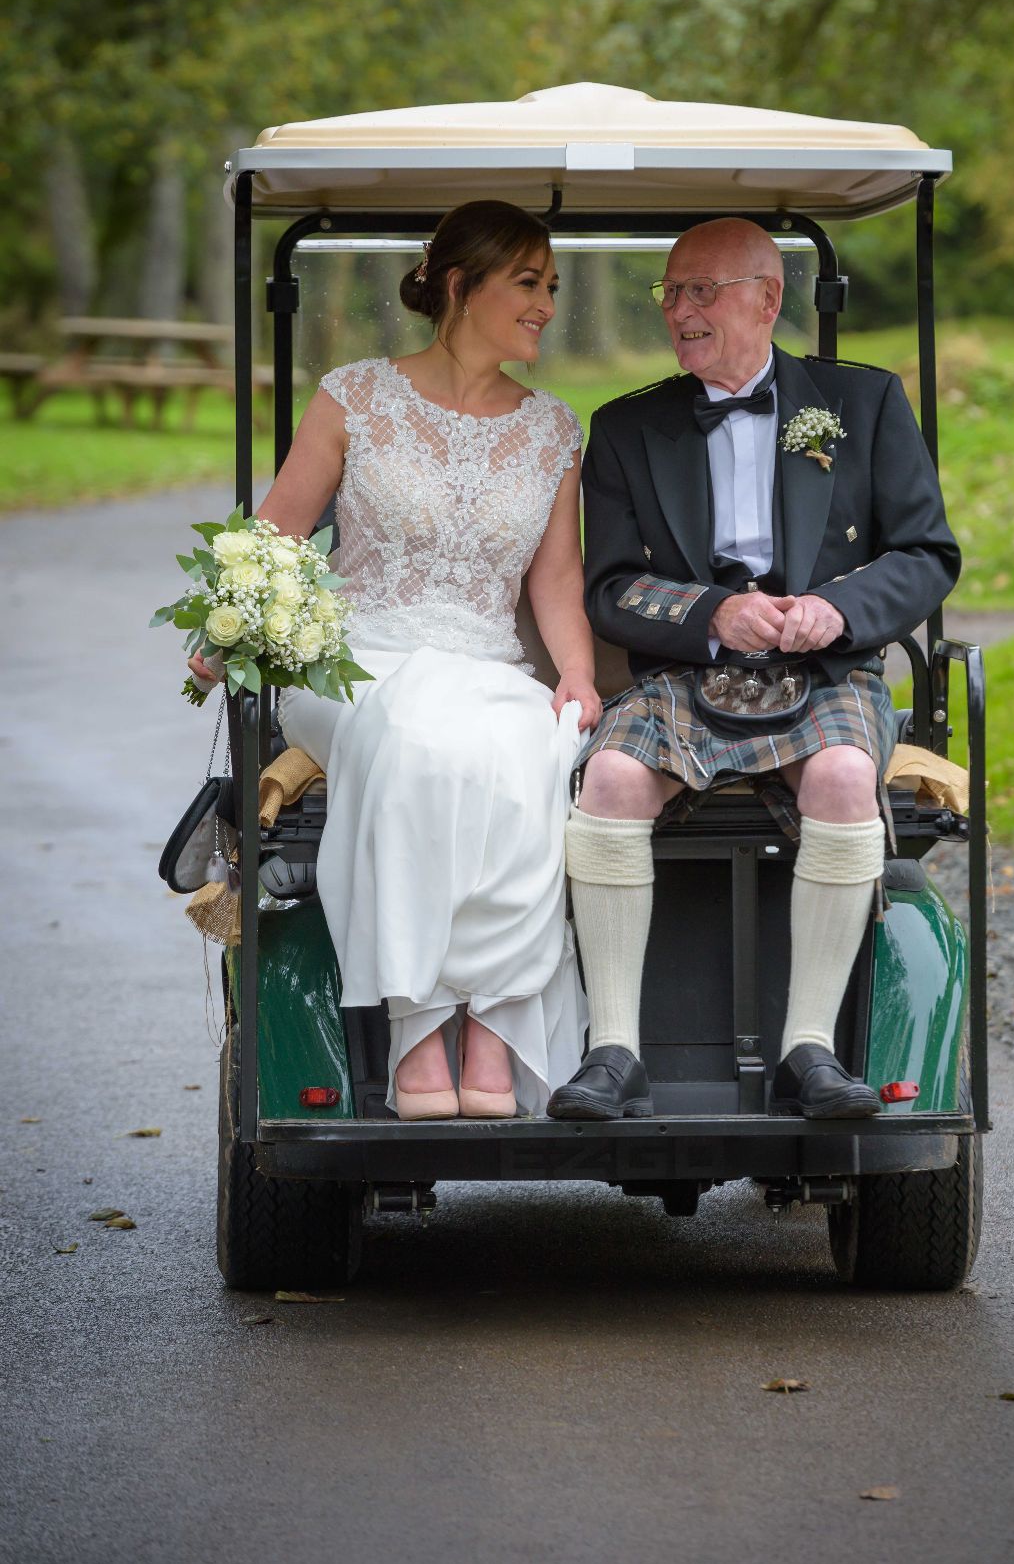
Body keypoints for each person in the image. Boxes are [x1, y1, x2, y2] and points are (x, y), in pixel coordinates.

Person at [192, 201, 601, 1119]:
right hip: (358, 661)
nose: (545, 305)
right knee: (415, 740)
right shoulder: (355, 396)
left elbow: (558, 579)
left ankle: (492, 1029)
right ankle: (419, 1031)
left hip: (487, 663)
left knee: (529, 749)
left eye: (552, 288)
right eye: (528, 284)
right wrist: (224, 628)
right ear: (460, 286)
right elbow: (279, 532)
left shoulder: (551, 430)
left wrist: (575, 673)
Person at [547, 217, 959, 1122]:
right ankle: (614, 1049)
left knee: (850, 776)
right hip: (684, 671)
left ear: (769, 300)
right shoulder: (626, 425)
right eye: (671, 292)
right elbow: (610, 587)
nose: (681, 312)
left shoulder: (865, 403)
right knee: (609, 778)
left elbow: (928, 554)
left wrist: (837, 609)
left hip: (823, 671)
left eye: (704, 291)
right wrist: (710, 613)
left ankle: (806, 1048)